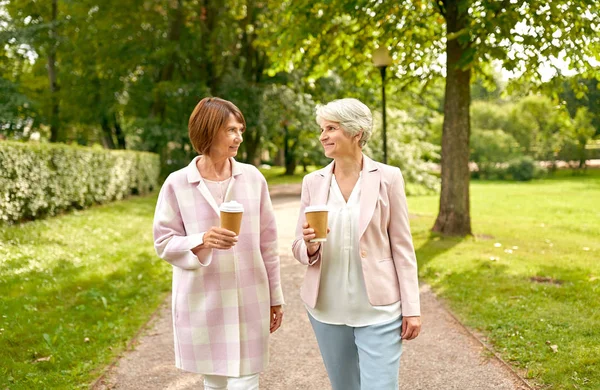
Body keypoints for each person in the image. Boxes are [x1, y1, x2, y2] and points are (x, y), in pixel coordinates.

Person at [153, 97, 284, 390]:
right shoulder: (177, 183)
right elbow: (163, 242)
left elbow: (268, 243)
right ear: (208, 131)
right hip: (203, 299)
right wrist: (202, 240)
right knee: (214, 380)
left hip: (250, 295)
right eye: (230, 130)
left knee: (246, 381)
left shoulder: (252, 178)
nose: (238, 137)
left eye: (240, 129)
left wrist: (276, 296)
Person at [292, 98, 421, 390]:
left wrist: (412, 307)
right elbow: (298, 247)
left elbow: (402, 246)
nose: (323, 136)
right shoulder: (313, 182)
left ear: (357, 133)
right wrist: (310, 247)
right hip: (327, 308)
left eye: (331, 128)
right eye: (322, 129)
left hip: (379, 310)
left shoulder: (388, 177)